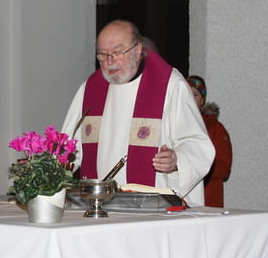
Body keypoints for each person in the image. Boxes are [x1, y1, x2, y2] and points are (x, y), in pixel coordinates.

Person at [61, 20, 214, 205]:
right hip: (99, 207)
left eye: (118, 52)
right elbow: (68, 147)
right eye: (102, 54)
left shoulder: (170, 85)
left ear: (138, 50)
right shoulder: (90, 89)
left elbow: (198, 146)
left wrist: (176, 161)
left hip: (154, 208)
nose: (109, 61)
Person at [187, 75, 233, 208]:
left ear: (202, 100)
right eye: (187, 93)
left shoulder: (215, 129)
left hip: (207, 198)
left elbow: (223, 167)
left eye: (195, 94)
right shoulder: (172, 124)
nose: (190, 98)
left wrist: (195, 169)